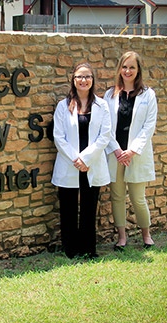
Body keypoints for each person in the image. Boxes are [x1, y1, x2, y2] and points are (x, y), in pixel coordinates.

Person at [51, 63, 111, 259]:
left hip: (91, 164)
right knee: (68, 210)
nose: (83, 80)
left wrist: (86, 158)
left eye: (87, 76)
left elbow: (105, 135)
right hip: (70, 164)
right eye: (79, 76)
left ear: (93, 80)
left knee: (89, 209)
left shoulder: (102, 105)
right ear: (73, 80)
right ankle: (71, 249)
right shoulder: (63, 105)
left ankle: (88, 249)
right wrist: (76, 159)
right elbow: (58, 137)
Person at [103, 51, 158, 251]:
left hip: (136, 154)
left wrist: (132, 151)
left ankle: (146, 235)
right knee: (117, 196)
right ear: (119, 69)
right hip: (115, 153)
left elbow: (149, 126)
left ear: (138, 70)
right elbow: (105, 126)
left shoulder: (148, 95)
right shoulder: (110, 95)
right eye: (124, 67)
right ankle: (122, 237)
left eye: (132, 67)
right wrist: (117, 150)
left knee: (138, 198)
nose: (128, 71)